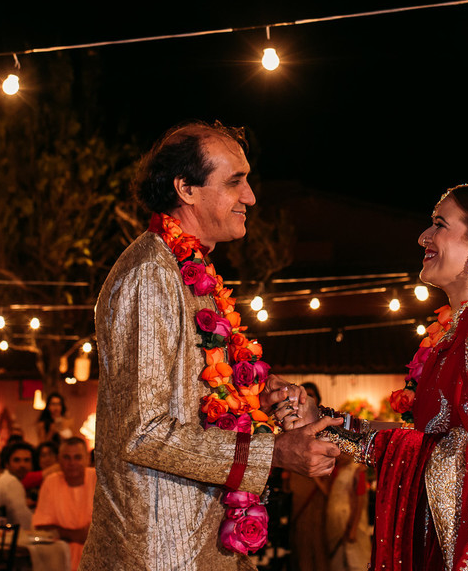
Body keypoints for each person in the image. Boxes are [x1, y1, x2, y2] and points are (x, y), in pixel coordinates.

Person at [80, 122, 341, 571]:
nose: (251, 197)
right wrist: (273, 453)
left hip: (202, 544)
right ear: (186, 188)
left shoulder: (191, 271)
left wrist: (257, 392)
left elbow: (193, 399)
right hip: (160, 551)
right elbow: (143, 432)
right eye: (235, 181)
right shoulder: (151, 273)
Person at [295, 173, 468, 569]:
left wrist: (358, 440)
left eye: (440, 224)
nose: (424, 236)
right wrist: (323, 421)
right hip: (452, 538)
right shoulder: (457, 332)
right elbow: (428, 443)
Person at [35, 437, 96, 571]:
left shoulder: (98, 478)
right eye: (67, 457)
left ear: (87, 459)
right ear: (58, 460)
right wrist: (78, 535)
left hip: (96, 559)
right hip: (57, 561)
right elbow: (42, 527)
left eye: (78, 457)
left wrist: (63, 532)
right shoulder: (51, 482)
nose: (72, 462)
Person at [287, 384, 330, 571]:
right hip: (298, 493)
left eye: (311, 396)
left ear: (318, 401)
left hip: (320, 494)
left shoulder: (326, 428)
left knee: (319, 542)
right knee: (301, 540)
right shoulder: (290, 427)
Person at [0, 441, 34, 529]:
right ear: (7, 464)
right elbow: (23, 520)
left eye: (26, 460)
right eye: (16, 460)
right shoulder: (10, 482)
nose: (22, 465)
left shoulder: (4, 479)